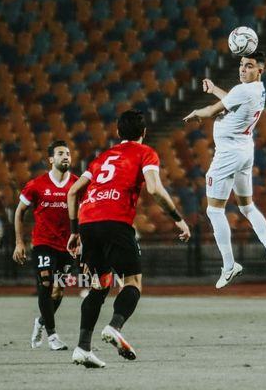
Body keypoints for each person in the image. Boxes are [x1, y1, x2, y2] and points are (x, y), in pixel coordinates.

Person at [66, 109, 191, 368]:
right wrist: (177, 217)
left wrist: (74, 231)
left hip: (88, 222)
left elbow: (73, 191)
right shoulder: (145, 153)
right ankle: (114, 327)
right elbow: (155, 189)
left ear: (118, 132)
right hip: (115, 222)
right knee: (133, 282)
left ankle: (82, 348)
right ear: (144, 133)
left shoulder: (101, 158)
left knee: (99, 287)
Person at [183, 51, 266, 289]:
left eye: (248, 66)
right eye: (241, 64)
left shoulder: (243, 90)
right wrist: (215, 88)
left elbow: (210, 111)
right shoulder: (258, 89)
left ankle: (229, 266)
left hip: (228, 155)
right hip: (245, 151)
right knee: (247, 206)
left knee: (214, 210)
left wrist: (196, 114)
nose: (242, 69)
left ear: (259, 70)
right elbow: (232, 99)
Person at [13, 140, 78, 351]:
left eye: (68, 153)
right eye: (60, 153)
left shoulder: (77, 184)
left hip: (67, 246)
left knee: (58, 292)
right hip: (43, 243)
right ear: (51, 159)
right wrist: (19, 242)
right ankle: (52, 336)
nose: (66, 156)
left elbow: (85, 213)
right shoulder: (36, 185)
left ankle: (41, 322)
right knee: (45, 285)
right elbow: (19, 212)